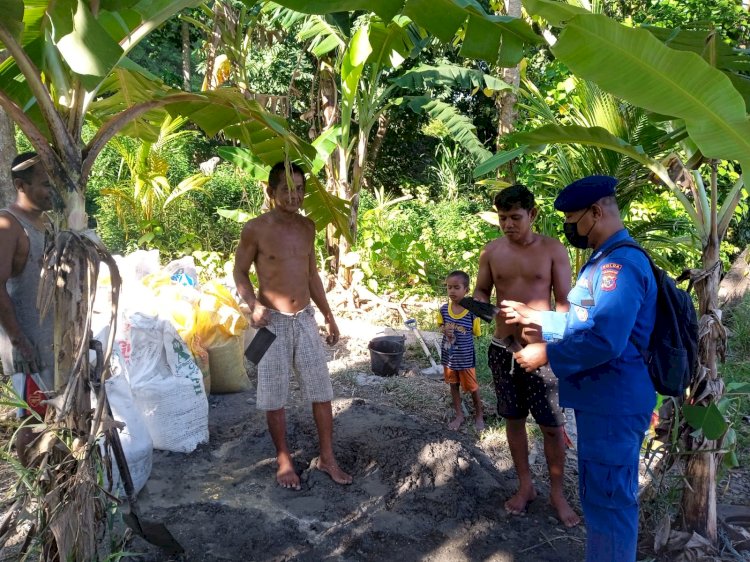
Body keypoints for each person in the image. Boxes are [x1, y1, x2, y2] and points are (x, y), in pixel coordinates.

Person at [502, 175, 657, 562]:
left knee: (609, 502)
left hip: (614, 402)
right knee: (600, 495)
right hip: (602, 402)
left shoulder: (619, 267)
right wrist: (536, 318)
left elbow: (605, 340)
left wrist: (547, 355)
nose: (570, 226)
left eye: (573, 218)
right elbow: (582, 322)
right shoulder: (603, 260)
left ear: (596, 212)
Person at [233, 161, 352, 490]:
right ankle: (284, 460)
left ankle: (327, 457)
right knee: (274, 396)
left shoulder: (307, 227)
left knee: (321, 391)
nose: (294, 195)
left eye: (299, 189)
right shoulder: (255, 228)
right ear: (271, 192)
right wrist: (252, 305)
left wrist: (329, 314)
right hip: (270, 324)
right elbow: (240, 272)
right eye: (286, 189)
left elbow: (311, 273)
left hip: (304, 321)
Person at [473, 183, 579, 527]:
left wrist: (547, 347)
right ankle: (525, 485)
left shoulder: (553, 250)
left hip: (542, 352)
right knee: (513, 421)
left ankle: (558, 494)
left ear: (532, 214)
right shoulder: (491, 251)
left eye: (515, 217)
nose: (508, 224)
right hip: (504, 350)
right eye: (503, 218)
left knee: (551, 427)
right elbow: (481, 292)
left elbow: (565, 305)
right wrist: (480, 307)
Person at [0, 152, 55, 466]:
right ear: (21, 185)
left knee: (58, 416)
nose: (52, 192)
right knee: (34, 420)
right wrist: (20, 341)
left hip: (51, 340)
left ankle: (61, 480)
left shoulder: (46, 222)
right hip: (28, 344)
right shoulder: (9, 225)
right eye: (45, 185)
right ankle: (36, 490)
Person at [436, 270, 484, 431]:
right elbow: (440, 324)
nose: (452, 291)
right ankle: (459, 415)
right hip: (448, 357)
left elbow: (477, 332)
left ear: (466, 290)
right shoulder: (444, 309)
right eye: (449, 287)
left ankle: (479, 415)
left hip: (465, 358)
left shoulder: (471, 312)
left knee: (472, 387)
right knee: (453, 384)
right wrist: (444, 330)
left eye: (456, 287)